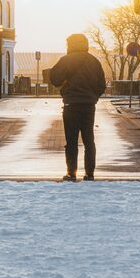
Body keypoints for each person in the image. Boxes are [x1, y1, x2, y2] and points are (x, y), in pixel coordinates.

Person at [49, 33, 106, 181]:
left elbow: (55, 79)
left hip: (71, 104)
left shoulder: (66, 60)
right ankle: (89, 173)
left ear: (71, 45)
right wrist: (93, 97)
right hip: (88, 106)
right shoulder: (94, 62)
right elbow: (101, 85)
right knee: (89, 140)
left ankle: (71, 172)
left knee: (71, 141)